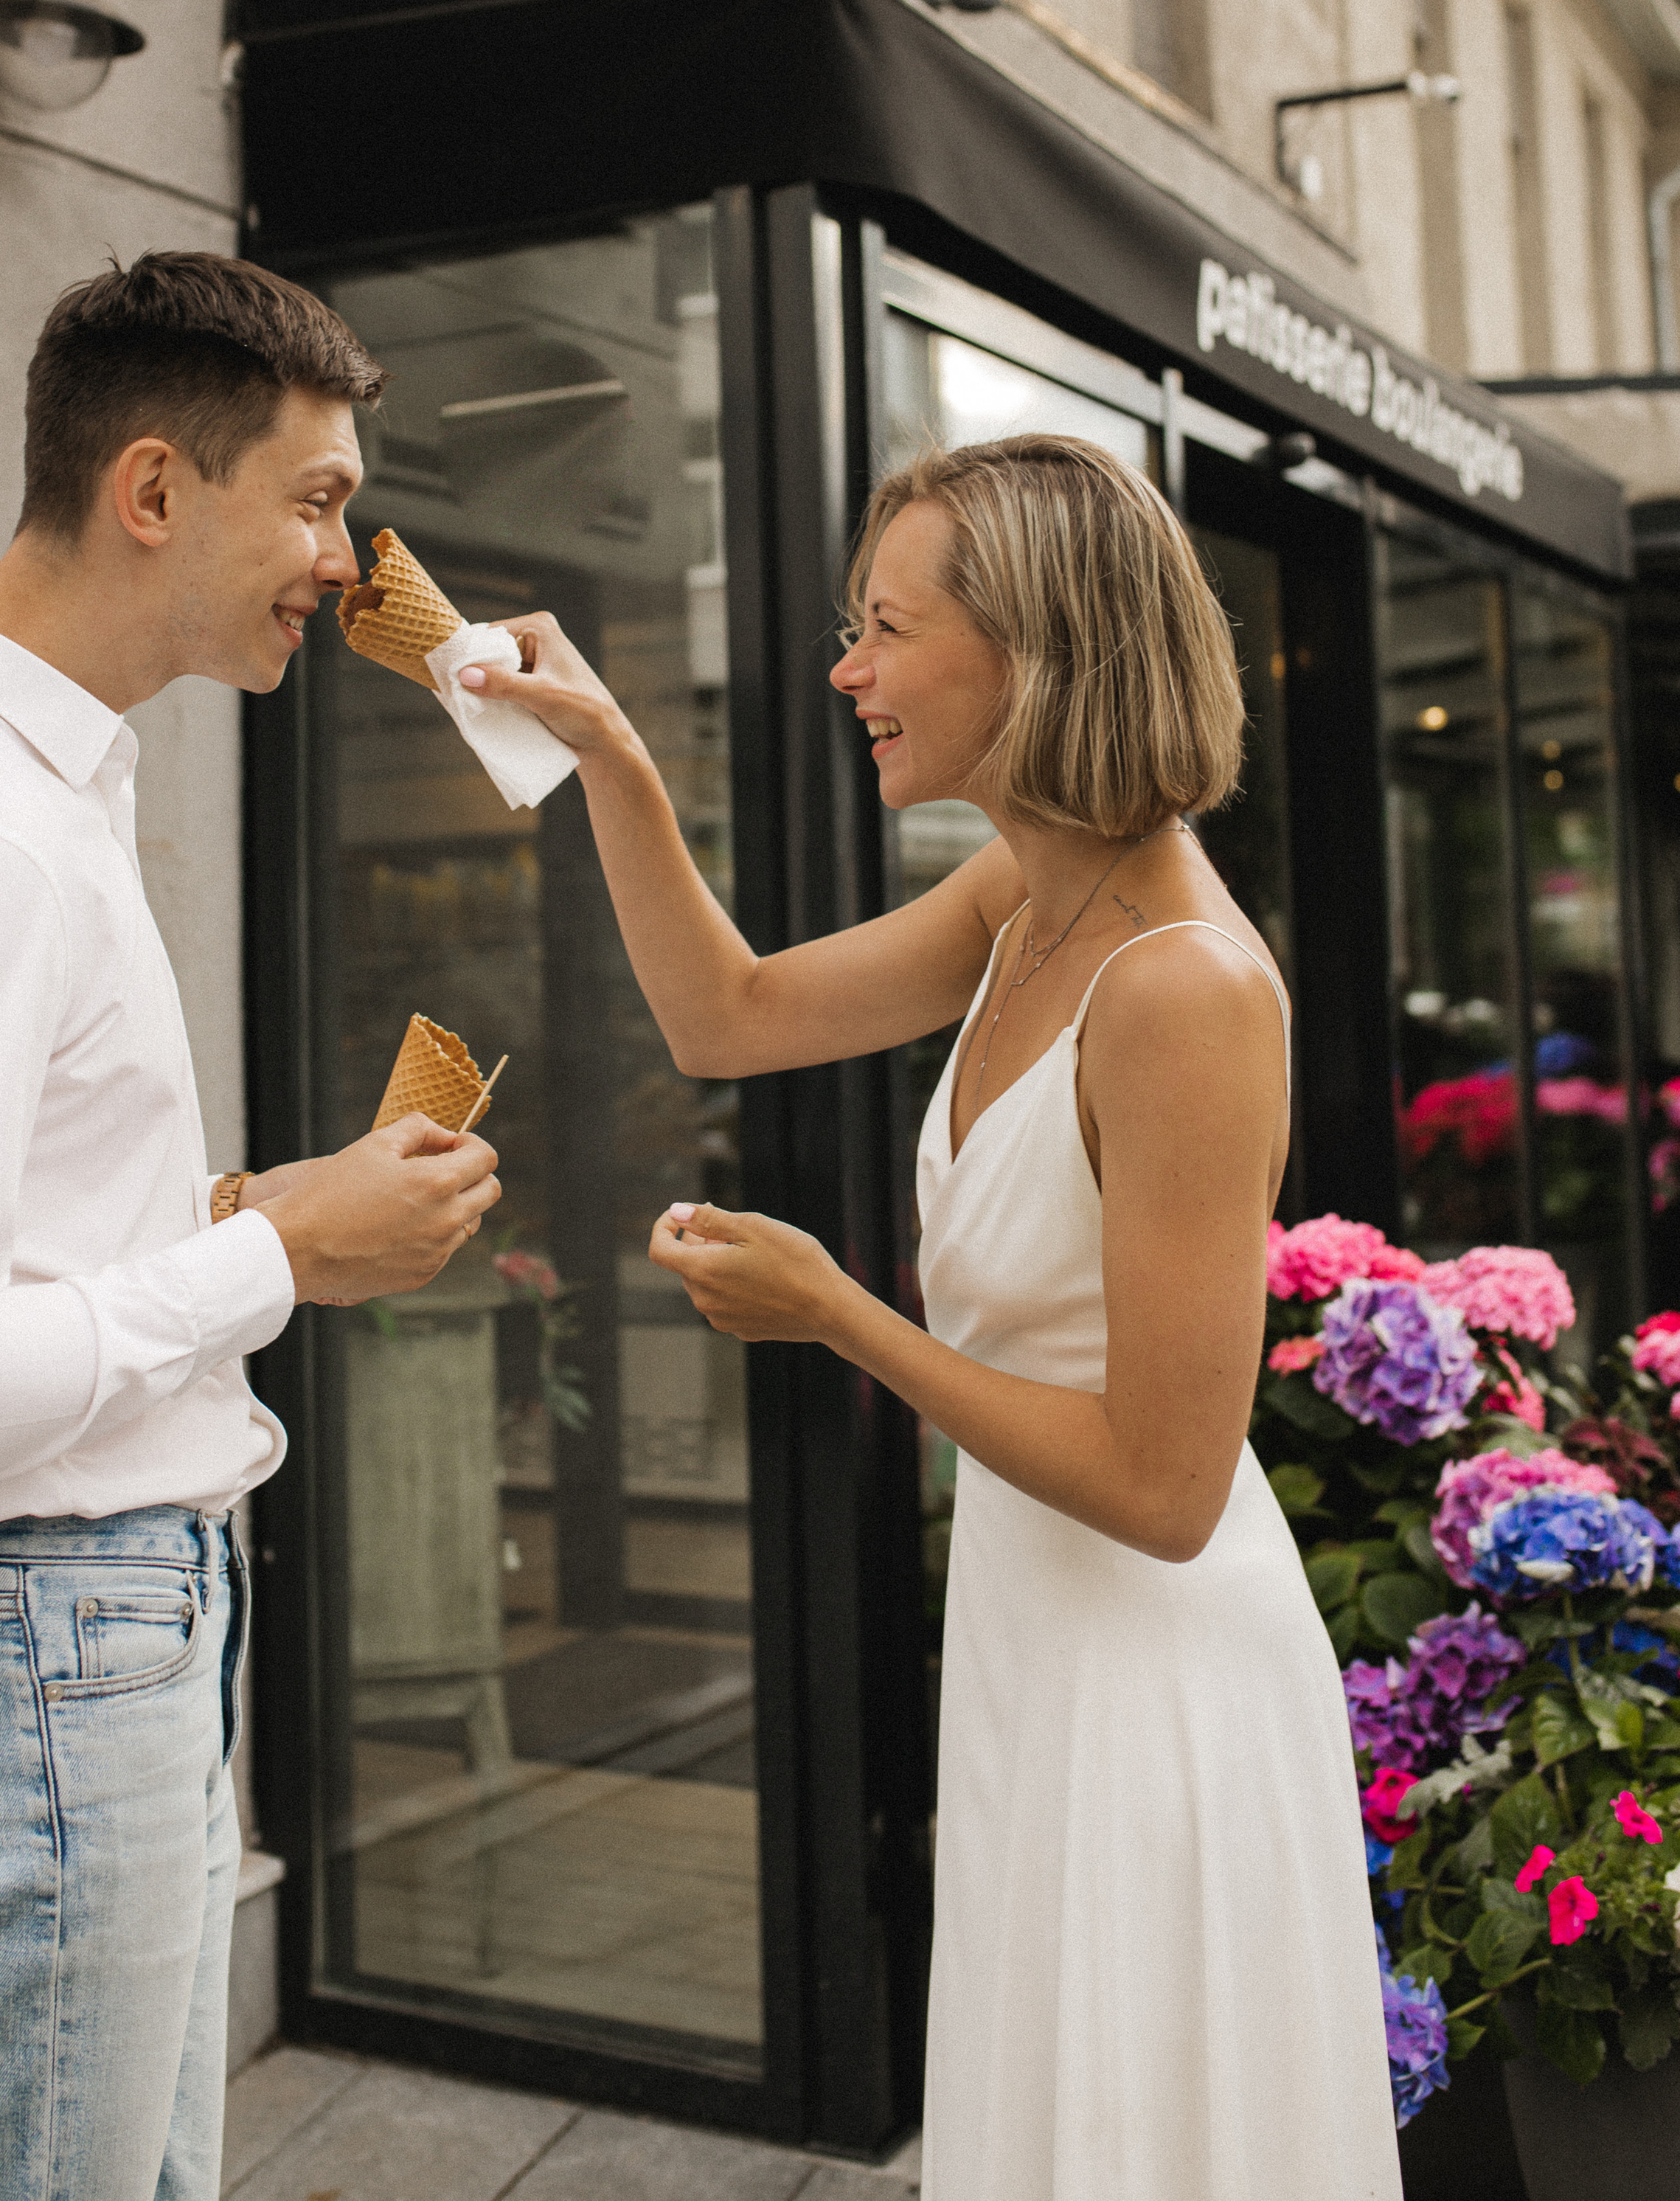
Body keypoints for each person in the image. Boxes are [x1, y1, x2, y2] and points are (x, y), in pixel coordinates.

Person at [461, 433, 1399, 2199]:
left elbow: (1164, 1487)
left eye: (884, 629)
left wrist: (839, 1316)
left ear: (1035, 652)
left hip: (1153, 1667)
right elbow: (724, 1015)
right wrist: (609, 755)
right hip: (1032, 1628)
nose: (846, 673)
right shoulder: (1020, 897)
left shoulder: (1180, 987)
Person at [0, 254, 502, 2201]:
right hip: (34, 1638)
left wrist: (247, 1213)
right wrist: (274, 1256)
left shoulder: (15, 792)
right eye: (320, 497)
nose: (352, 565)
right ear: (155, 490)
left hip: (70, 1633)